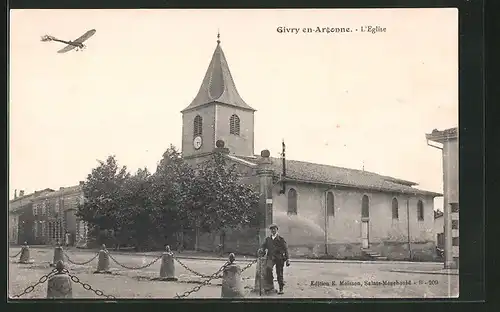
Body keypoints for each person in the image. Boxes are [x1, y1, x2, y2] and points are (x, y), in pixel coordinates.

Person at [260, 223, 290, 294]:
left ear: (277, 230)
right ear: (270, 230)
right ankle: (270, 286)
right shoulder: (268, 239)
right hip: (271, 258)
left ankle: (281, 288)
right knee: (268, 268)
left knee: (279, 273)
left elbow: (286, 249)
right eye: (272, 229)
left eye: (274, 229)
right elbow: (263, 247)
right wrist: (261, 250)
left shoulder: (281, 239)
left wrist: (287, 259)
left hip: (280, 258)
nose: (273, 230)